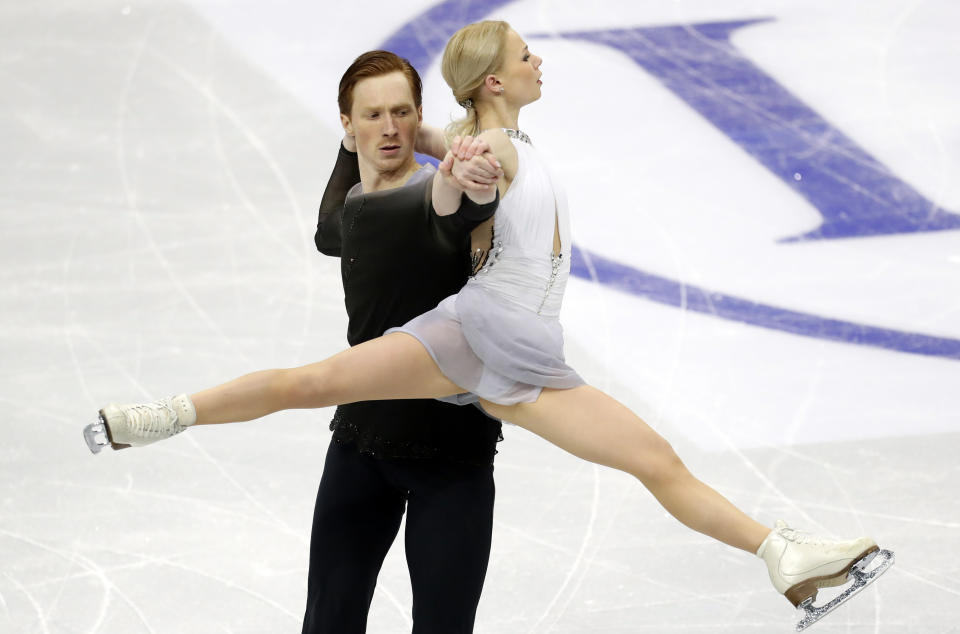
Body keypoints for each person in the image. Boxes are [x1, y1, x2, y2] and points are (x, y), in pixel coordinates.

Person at [85, 20, 893, 629]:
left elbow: (440, 137)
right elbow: (465, 176)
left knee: (655, 460)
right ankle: (167, 415)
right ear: (496, 82)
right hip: (473, 334)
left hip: (534, 355)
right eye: (525, 55)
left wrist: (441, 144)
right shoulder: (494, 150)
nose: (538, 61)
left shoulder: (495, 134)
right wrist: (458, 182)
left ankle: (778, 552)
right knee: (319, 382)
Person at [303, 51, 504, 634]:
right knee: (327, 622)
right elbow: (328, 233)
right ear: (347, 123)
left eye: (402, 112)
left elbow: (460, 213)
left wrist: (459, 163)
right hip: (361, 444)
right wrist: (354, 154)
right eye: (371, 116)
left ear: (420, 116)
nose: (389, 129)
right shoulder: (359, 209)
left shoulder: (432, 196)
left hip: (452, 455)